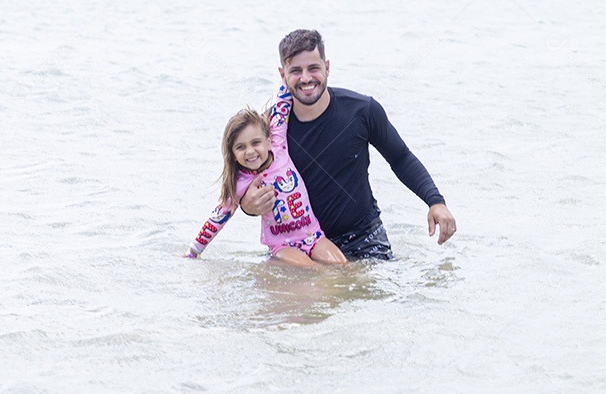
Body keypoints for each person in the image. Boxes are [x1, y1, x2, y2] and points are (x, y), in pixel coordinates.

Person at [240, 29, 456, 261]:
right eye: (295, 71)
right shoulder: (269, 128)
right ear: (282, 75)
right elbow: (242, 181)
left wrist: (435, 202)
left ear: (327, 67)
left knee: (360, 290)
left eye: (313, 68)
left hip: (364, 240)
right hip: (296, 244)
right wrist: (248, 206)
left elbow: (401, 158)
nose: (305, 78)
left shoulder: (362, 111)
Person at [185, 86, 348, 268]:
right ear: (232, 154)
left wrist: (285, 76)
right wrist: (193, 251)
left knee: (345, 267)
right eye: (241, 147)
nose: (250, 151)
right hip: (283, 246)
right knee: (316, 270)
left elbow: (282, 104)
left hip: (314, 236)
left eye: (255, 143)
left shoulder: (279, 146)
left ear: (268, 141)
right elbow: (217, 219)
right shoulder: (240, 183)